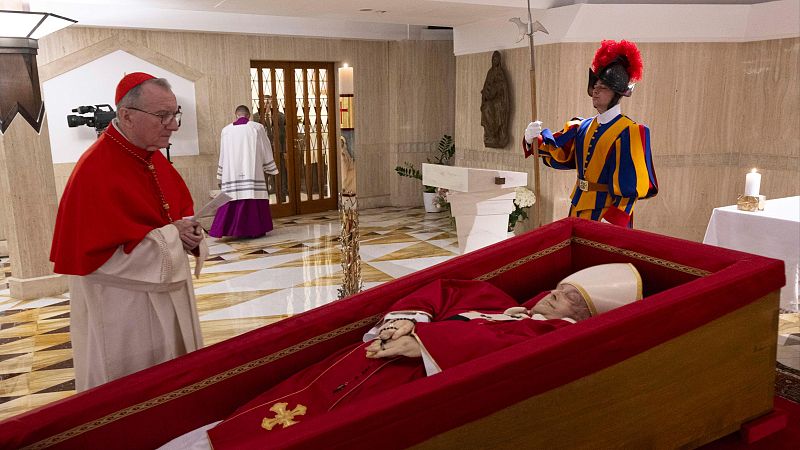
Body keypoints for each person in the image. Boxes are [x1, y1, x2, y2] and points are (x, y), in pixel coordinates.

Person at [159, 263, 642, 449]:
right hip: (368, 358)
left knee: (316, 427)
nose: (552, 296)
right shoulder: (502, 303)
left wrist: (429, 343)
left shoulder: (554, 336)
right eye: (557, 288)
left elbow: (510, 353)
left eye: (567, 298)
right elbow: (445, 290)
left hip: (409, 380)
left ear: (585, 316)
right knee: (288, 396)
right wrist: (407, 321)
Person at [50, 72, 206, 391]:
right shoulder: (94, 169)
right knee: (136, 387)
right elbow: (98, 260)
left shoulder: (151, 157)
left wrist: (189, 235)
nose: (174, 125)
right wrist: (171, 236)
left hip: (166, 292)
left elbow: (175, 215)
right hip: (123, 305)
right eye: (163, 116)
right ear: (127, 115)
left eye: (175, 114)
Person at [522, 40, 658, 228]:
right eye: (595, 86)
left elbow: (631, 187)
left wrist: (614, 220)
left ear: (617, 94)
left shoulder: (630, 131)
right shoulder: (581, 126)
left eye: (603, 87)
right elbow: (559, 154)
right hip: (577, 208)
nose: (595, 91)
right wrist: (532, 140)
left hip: (606, 216)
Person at [210, 105, 279, 238]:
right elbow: (265, 147)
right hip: (251, 169)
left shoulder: (226, 130)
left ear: (236, 115)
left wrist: (221, 172)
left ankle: (230, 230)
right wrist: (269, 166)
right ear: (248, 115)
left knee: (232, 196)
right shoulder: (257, 127)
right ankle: (254, 230)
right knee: (252, 194)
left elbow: (223, 152)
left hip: (232, 172)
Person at [264, 95, 288, 202]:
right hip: (263, 152)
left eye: (269, 102)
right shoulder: (256, 117)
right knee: (264, 175)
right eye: (265, 102)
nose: (267, 105)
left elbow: (285, 134)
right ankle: (265, 198)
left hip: (278, 150)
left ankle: (281, 196)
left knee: (280, 173)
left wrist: (285, 150)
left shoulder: (281, 116)